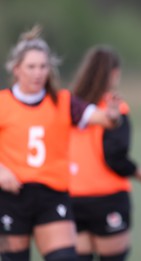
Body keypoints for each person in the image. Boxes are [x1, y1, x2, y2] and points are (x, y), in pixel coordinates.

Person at [0, 26, 121, 261]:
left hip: (52, 195)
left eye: (43, 67)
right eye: (31, 67)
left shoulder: (63, 101)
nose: (38, 73)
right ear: (16, 70)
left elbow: (104, 120)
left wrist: (113, 115)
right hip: (11, 196)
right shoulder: (3, 103)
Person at [68, 45, 141, 261]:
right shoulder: (115, 108)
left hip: (71, 197)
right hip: (106, 198)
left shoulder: (70, 105)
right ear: (114, 73)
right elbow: (115, 158)